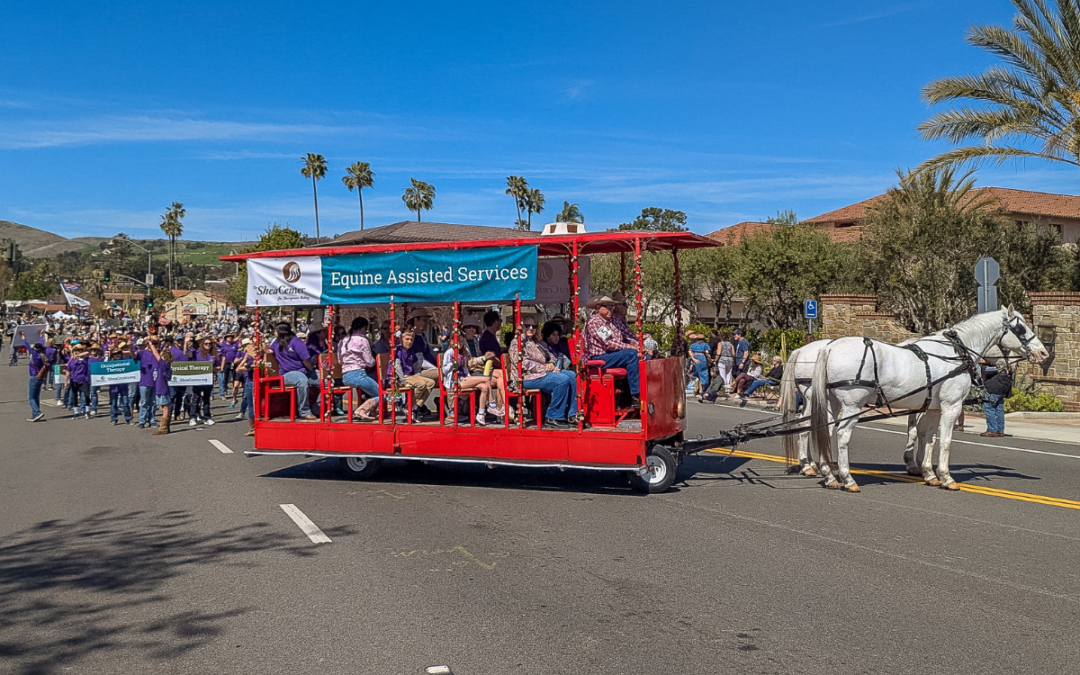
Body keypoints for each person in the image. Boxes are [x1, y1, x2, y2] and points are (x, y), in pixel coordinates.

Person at [508, 315, 578, 428]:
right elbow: (521, 363)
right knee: (562, 380)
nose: (531, 328)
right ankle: (553, 416)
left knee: (572, 375)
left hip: (541, 374)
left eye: (534, 326)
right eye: (527, 326)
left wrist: (553, 365)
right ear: (522, 327)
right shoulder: (518, 342)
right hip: (525, 377)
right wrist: (544, 367)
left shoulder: (538, 342)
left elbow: (552, 356)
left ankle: (572, 413)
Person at [582, 294, 640, 400]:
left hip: (611, 355)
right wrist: (631, 347)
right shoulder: (594, 322)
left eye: (612, 307)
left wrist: (639, 346)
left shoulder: (614, 320)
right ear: (598, 308)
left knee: (643, 356)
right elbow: (608, 343)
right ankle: (635, 394)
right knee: (632, 354)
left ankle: (634, 392)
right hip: (599, 358)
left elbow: (628, 335)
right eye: (607, 307)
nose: (610, 310)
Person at [441, 328, 498, 426]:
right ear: (452, 341)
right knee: (486, 379)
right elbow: (444, 370)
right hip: (455, 381)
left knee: (484, 386)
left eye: (462, 341)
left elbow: (465, 369)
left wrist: (469, 376)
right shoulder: (449, 353)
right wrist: (452, 363)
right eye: (458, 341)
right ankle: (492, 404)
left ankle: (481, 413)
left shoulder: (462, 353)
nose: (460, 343)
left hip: (464, 378)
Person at [268, 323, 320, 421]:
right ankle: (304, 411)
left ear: (280, 331)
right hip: (287, 374)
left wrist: (311, 369)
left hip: (304, 370)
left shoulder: (297, 342)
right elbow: (269, 352)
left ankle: (317, 407)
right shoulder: (276, 343)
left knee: (326, 381)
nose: (274, 333)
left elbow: (306, 360)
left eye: (275, 331)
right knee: (302, 380)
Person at [339, 317, 380, 421]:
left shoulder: (343, 340)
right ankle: (361, 410)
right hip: (359, 374)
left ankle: (372, 411)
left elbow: (340, 360)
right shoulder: (362, 340)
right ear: (363, 328)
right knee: (383, 393)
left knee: (374, 385)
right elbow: (370, 362)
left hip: (345, 375)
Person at [390, 328, 435, 417]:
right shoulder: (398, 351)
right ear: (401, 339)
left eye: (411, 340)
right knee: (421, 384)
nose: (409, 342)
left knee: (431, 383)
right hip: (401, 377)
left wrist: (418, 375)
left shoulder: (411, 350)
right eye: (407, 339)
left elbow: (416, 365)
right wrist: (403, 380)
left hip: (411, 375)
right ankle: (409, 406)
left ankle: (415, 406)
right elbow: (397, 367)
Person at [148, 339, 174, 435]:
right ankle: (167, 426)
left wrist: (151, 344)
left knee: (165, 407)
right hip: (164, 388)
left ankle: (163, 428)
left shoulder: (163, 364)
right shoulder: (167, 365)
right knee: (165, 407)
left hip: (161, 388)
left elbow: (155, 353)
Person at [981, 357, 1011, 437]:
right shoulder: (1004, 367)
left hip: (992, 389)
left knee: (989, 409)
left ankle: (992, 430)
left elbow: (986, 372)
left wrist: (984, 362)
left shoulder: (988, 368)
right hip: (1002, 390)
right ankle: (1000, 429)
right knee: (999, 409)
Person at [21, 332, 47, 422]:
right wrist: (41, 336)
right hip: (41, 377)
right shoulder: (43, 354)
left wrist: (23, 337)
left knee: (31, 397)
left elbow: (27, 346)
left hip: (34, 376)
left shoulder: (35, 355)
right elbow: (41, 344)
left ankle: (37, 412)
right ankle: (35, 415)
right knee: (36, 396)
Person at [235, 338, 258, 435]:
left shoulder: (252, 361)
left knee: (251, 405)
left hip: (251, 382)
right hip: (254, 381)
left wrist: (244, 359)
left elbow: (238, 369)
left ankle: (252, 428)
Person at [107, 343, 134, 425]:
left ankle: (128, 419)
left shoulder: (125, 362)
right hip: (113, 386)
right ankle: (113, 419)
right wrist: (110, 351)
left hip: (123, 385)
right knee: (113, 404)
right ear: (113, 355)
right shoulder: (109, 363)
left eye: (119, 353)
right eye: (115, 354)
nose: (117, 355)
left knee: (125, 403)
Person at [135, 338, 158, 428]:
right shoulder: (143, 352)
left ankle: (152, 420)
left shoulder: (158, 353)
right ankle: (142, 421)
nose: (155, 345)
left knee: (153, 403)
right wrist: (129, 347)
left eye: (156, 343)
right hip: (144, 382)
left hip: (156, 382)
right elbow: (133, 355)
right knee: (144, 402)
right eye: (153, 343)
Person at [687, 332, 711, 397]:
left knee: (696, 374)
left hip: (695, 359)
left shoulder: (693, 345)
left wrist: (693, 358)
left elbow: (689, 351)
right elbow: (707, 353)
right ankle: (702, 390)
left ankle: (696, 389)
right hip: (702, 359)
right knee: (703, 374)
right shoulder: (705, 345)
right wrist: (709, 360)